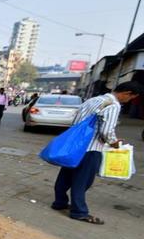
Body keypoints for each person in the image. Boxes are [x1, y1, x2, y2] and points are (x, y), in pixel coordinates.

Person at [51, 81, 142, 224]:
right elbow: (106, 131)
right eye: (131, 98)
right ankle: (79, 212)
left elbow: (75, 120)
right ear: (127, 93)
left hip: (75, 147)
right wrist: (114, 142)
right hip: (91, 148)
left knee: (66, 175)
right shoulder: (113, 105)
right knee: (83, 181)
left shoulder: (93, 100)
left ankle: (60, 202)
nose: (129, 101)